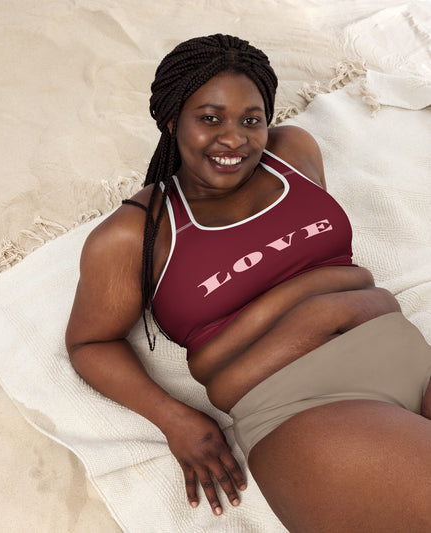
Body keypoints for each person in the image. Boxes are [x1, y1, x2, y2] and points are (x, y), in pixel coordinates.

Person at [65, 34, 431, 531]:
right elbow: (91, 342)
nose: (234, 139)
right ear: (173, 121)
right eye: (210, 119)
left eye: (250, 119)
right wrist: (176, 420)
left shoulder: (292, 153)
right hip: (306, 409)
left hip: (412, 358)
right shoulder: (136, 234)